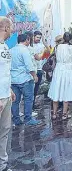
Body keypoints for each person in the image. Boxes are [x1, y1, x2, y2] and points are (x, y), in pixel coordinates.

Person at [48, 32, 72, 120]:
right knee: (67, 91)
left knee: (56, 90)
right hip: (68, 70)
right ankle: (64, 114)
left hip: (58, 70)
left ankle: (54, 113)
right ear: (71, 38)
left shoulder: (57, 47)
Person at [10, 33, 40, 126]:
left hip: (13, 79)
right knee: (28, 99)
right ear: (27, 40)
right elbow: (29, 65)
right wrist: (34, 76)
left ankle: (16, 119)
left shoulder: (11, 50)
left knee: (15, 101)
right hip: (25, 79)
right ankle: (28, 118)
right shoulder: (25, 50)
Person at [0, 17, 15, 171]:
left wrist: (9, 89)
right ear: (5, 28)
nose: (12, 30)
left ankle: (2, 164)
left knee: (4, 130)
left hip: (5, 96)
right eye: (11, 27)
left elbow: (4, 72)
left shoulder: (4, 46)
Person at [32, 31, 50, 108]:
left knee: (36, 88)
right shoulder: (30, 46)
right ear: (33, 36)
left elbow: (48, 52)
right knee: (31, 89)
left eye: (40, 37)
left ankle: (33, 104)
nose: (38, 39)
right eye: (37, 37)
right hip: (32, 70)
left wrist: (44, 42)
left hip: (39, 69)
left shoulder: (41, 45)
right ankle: (30, 105)